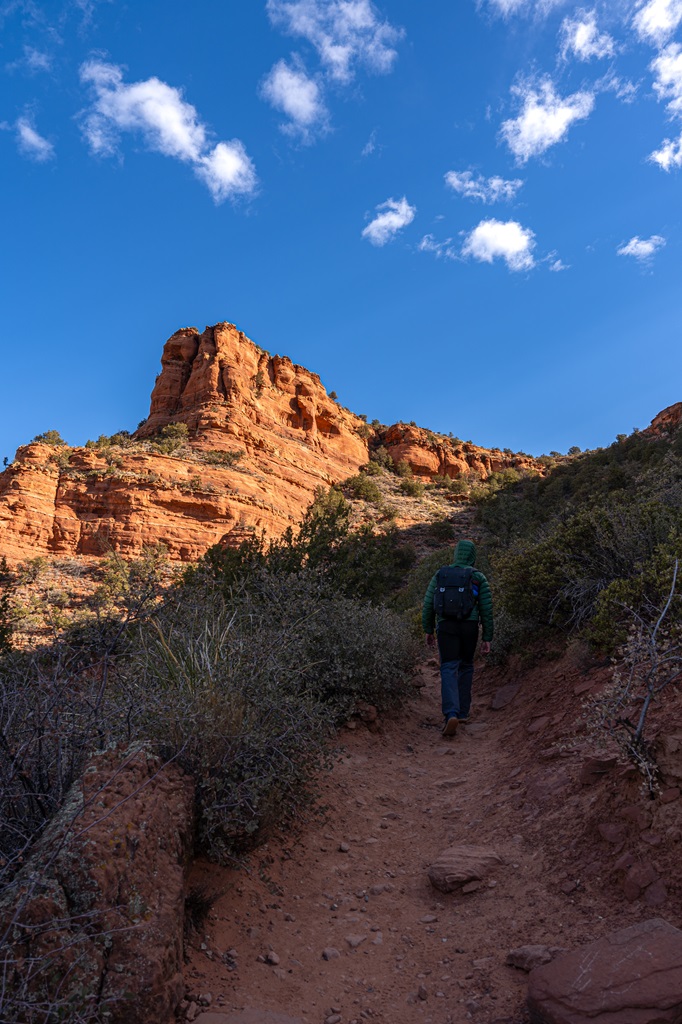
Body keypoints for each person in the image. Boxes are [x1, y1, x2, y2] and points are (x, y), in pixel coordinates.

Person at [422, 538, 493, 736]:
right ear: (472, 556)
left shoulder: (440, 575)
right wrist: (487, 637)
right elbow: (486, 610)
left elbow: (428, 604)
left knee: (448, 667)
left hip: (446, 626)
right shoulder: (478, 577)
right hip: (469, 627)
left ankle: (450, 713)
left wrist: (428, 630)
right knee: (466, 666)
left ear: (456, 554)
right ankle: (462, 712)